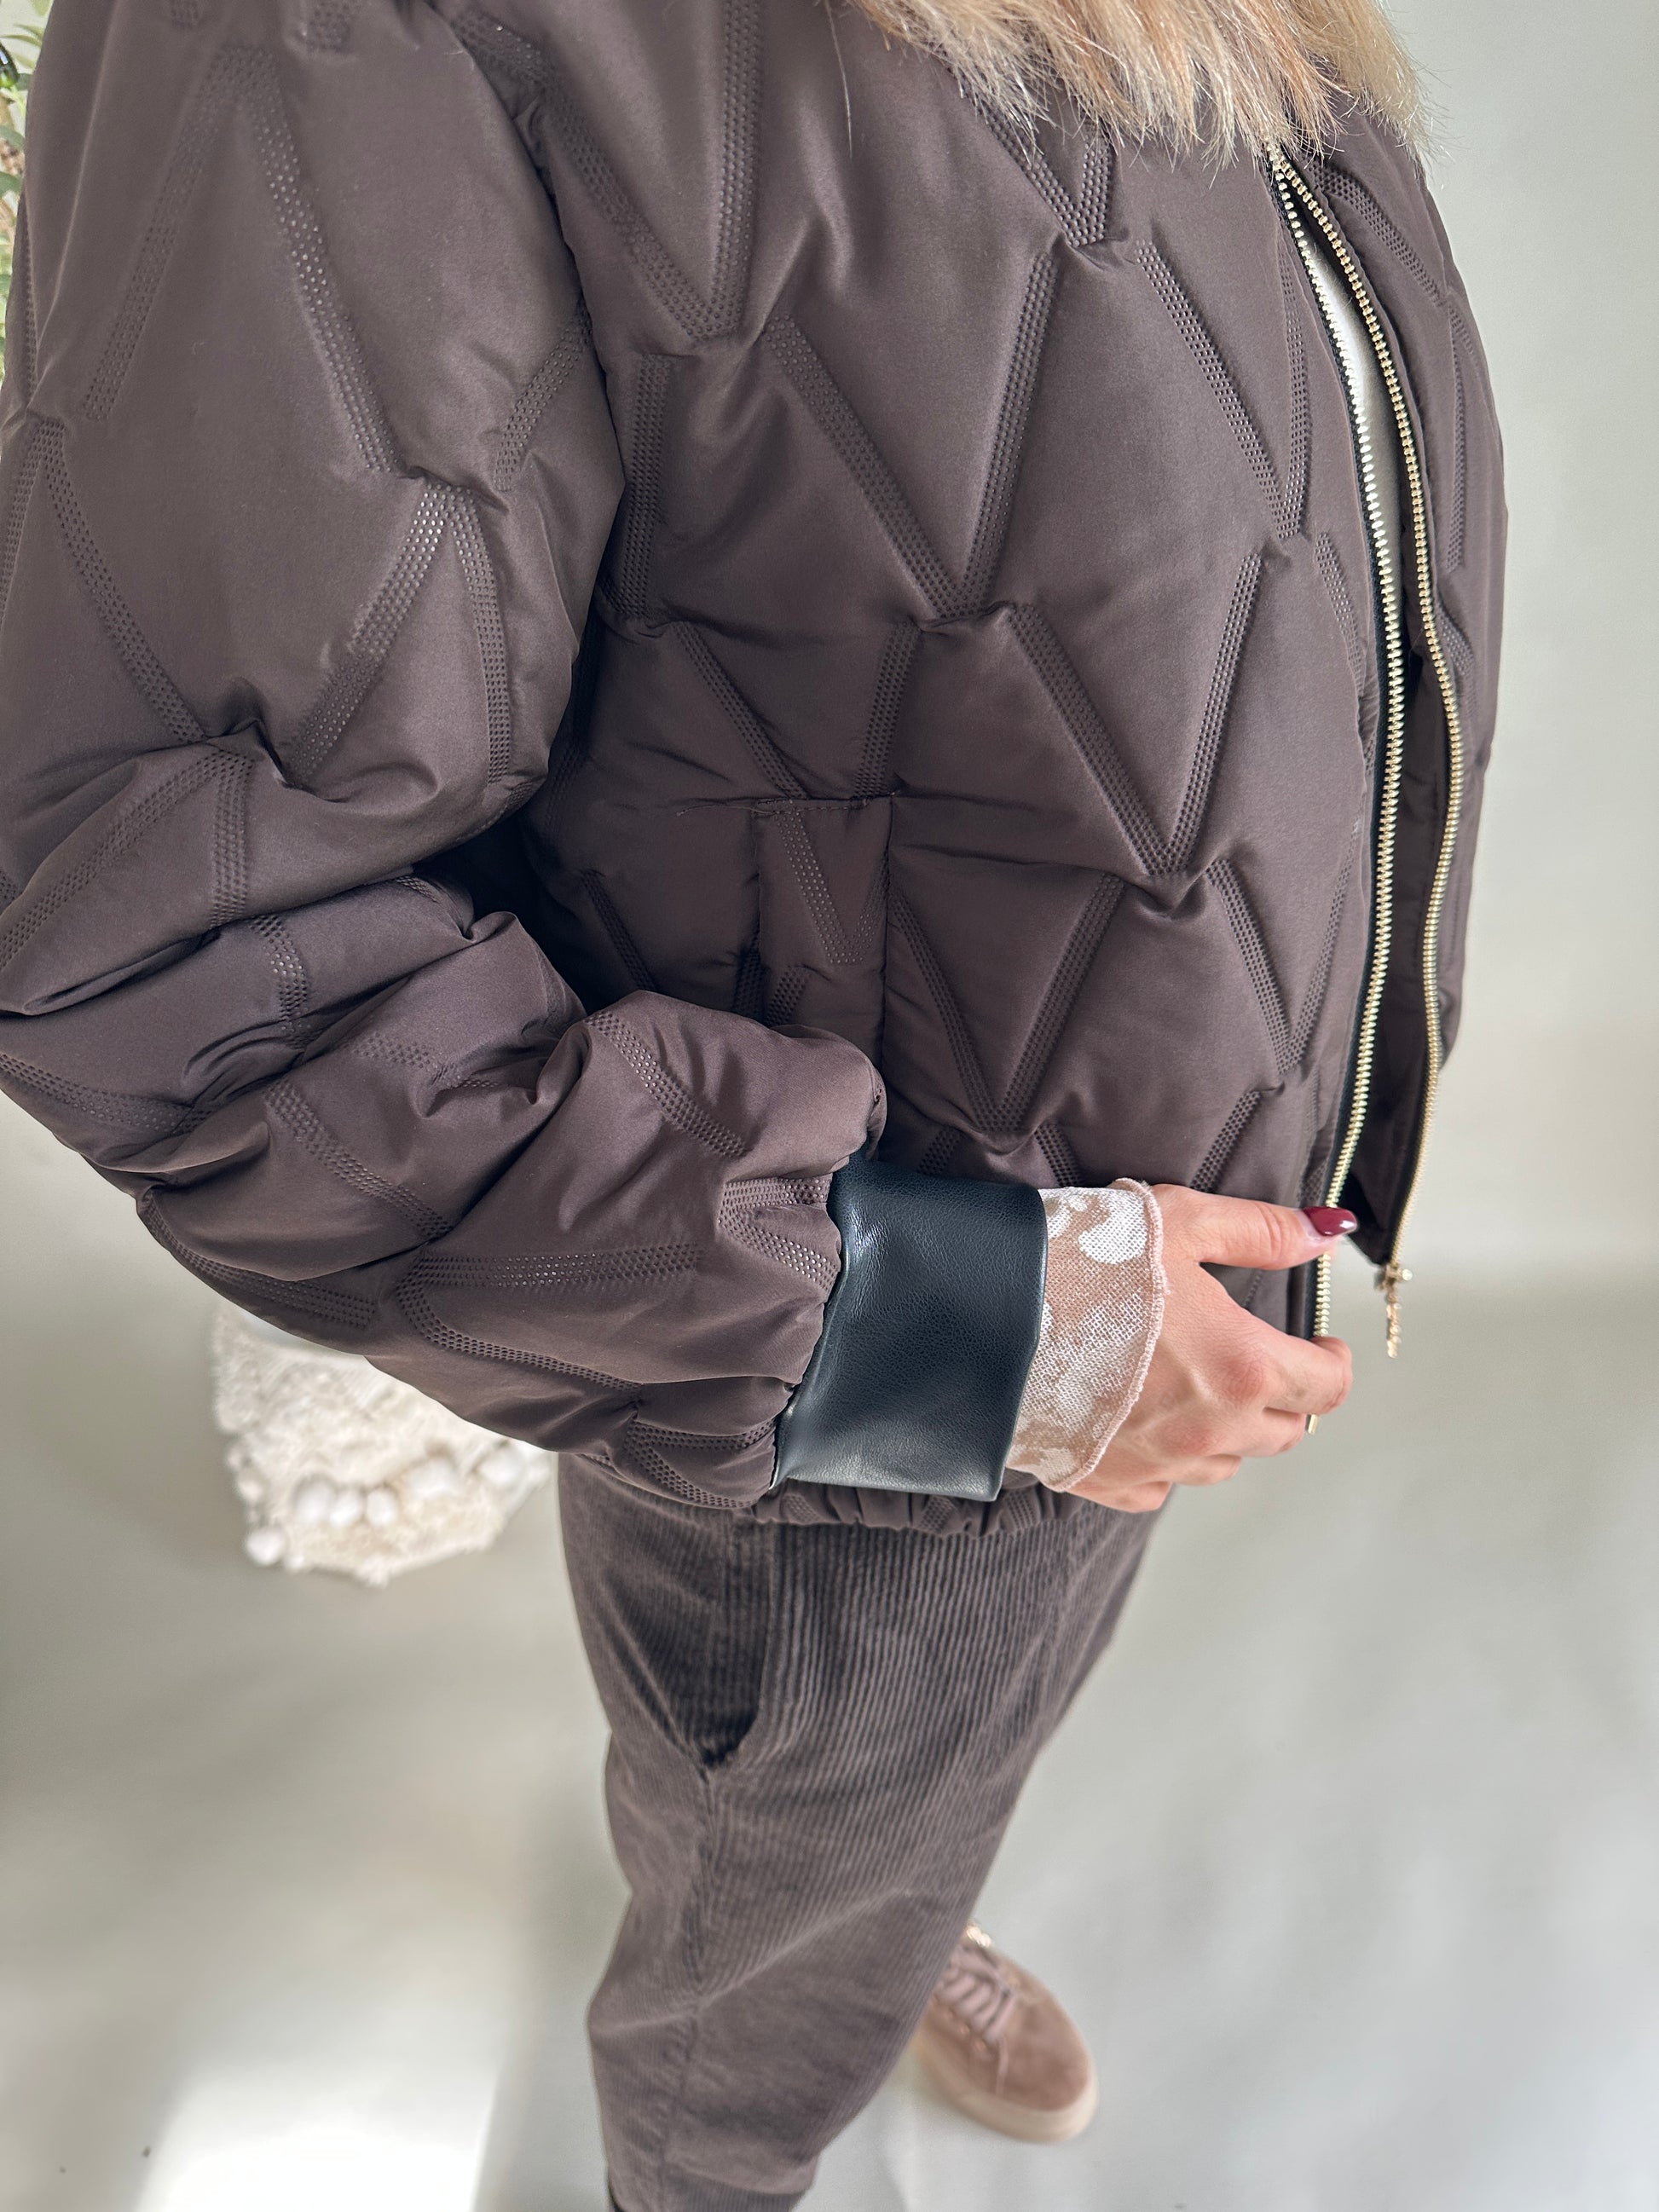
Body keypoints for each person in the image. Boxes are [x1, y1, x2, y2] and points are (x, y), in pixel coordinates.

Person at [0, 0, 1503, 2202]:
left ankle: (883, 1916)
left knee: (900, 1795)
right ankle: (732, 2108)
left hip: (1136, 1275)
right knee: (766, 1901)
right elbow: (183, 940)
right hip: (861, 1371)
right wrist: (975, 1328)